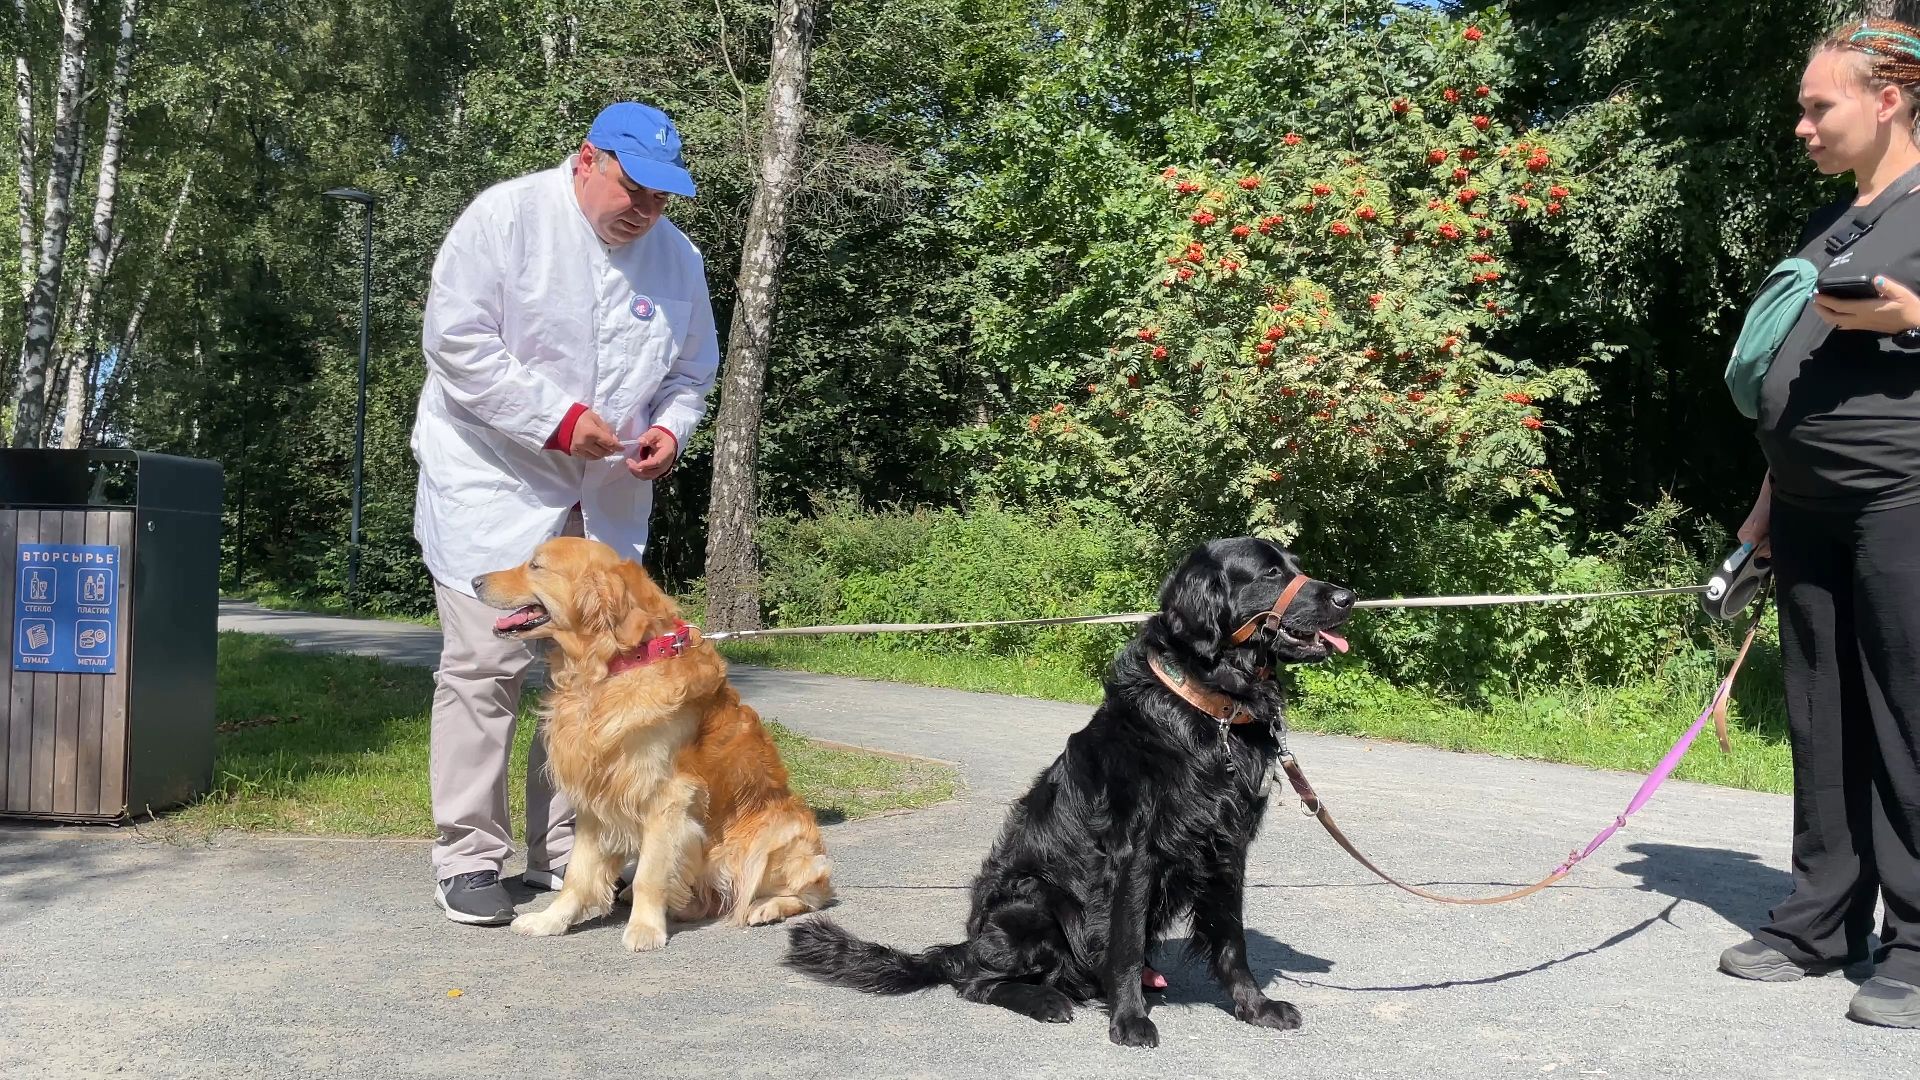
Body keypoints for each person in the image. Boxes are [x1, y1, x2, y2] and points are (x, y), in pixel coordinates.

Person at [411, 101, 720, 925]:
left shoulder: (677, 259)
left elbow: (694, 373)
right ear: (587, 160)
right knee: (485, 669)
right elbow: (455, 342)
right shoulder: (505, 219)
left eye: (662, 198)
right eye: (635, 190)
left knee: (593, 679)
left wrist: (669, 430)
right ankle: (470, 859)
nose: (647, 211)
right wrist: (555, 420)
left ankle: (570, 858)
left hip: (604, 504)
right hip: (497, 485)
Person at [1723, 17, 1920, 1029]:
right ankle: (1821, 918)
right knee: (1822, 717)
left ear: (1887, 98)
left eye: (1818, 106)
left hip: (1902, 503)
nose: (1801, 125)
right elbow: (1794, 385)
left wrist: (1913, 317)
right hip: (1804, 509)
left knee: (1909, 721)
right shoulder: (1838, 221)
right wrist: (1761, 514)